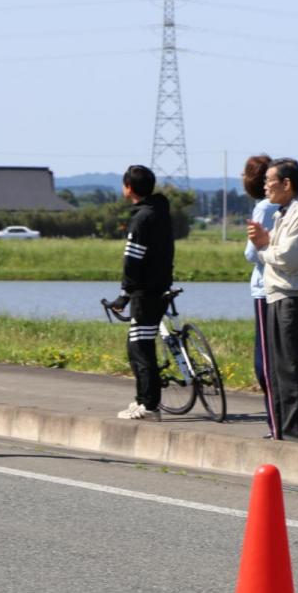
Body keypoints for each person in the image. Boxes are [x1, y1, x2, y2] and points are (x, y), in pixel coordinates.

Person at [246, 158, 298, 443]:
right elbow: (274, 254)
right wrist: (266, 246)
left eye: (269, 180)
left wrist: (263, 246)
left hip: (293, 297)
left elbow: (289, 259)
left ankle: (296, 433)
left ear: (287, 184)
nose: (265, 186)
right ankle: (280, 430)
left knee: (291, 367)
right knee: (276, 370)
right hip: (275, 294)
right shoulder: (282, 213)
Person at [111, 165, 175, 421]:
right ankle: (142, 400)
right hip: (160, 286)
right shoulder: (160, 211)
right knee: (140, 344)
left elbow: (133, 260)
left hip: (145, 291)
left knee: (140, 347)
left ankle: (148, 405)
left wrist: (125, 293)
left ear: (129, 187)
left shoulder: (140, 218)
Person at [241, 154, 281, 438]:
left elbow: (251, 252)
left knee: (264, 361)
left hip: (264, 288)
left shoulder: (263, 208)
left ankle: (275, 423)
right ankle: (280, 422)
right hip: (279, 288)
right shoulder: (282, 206)